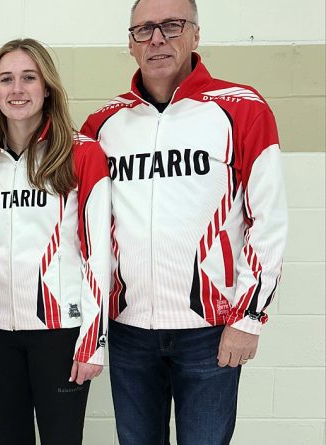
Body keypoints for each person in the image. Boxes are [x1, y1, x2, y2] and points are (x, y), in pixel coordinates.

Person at [81, 1, 288, 443]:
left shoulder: (242, 108)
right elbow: (88, 231)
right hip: (129, 331)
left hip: (211, 333)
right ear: (130, 44)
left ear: (195, 35)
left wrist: (248, 317)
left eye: (171, 26)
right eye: (143, 30)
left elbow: (267, 222)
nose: (157, 38)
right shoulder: (102, 124)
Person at [0, 38, 111, 445]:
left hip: (60, 333)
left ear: (47, 86)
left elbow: (99, 254)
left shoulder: (82, 154)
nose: (17, 90)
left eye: (28, 78)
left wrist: (92, 340)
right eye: (6, 79)